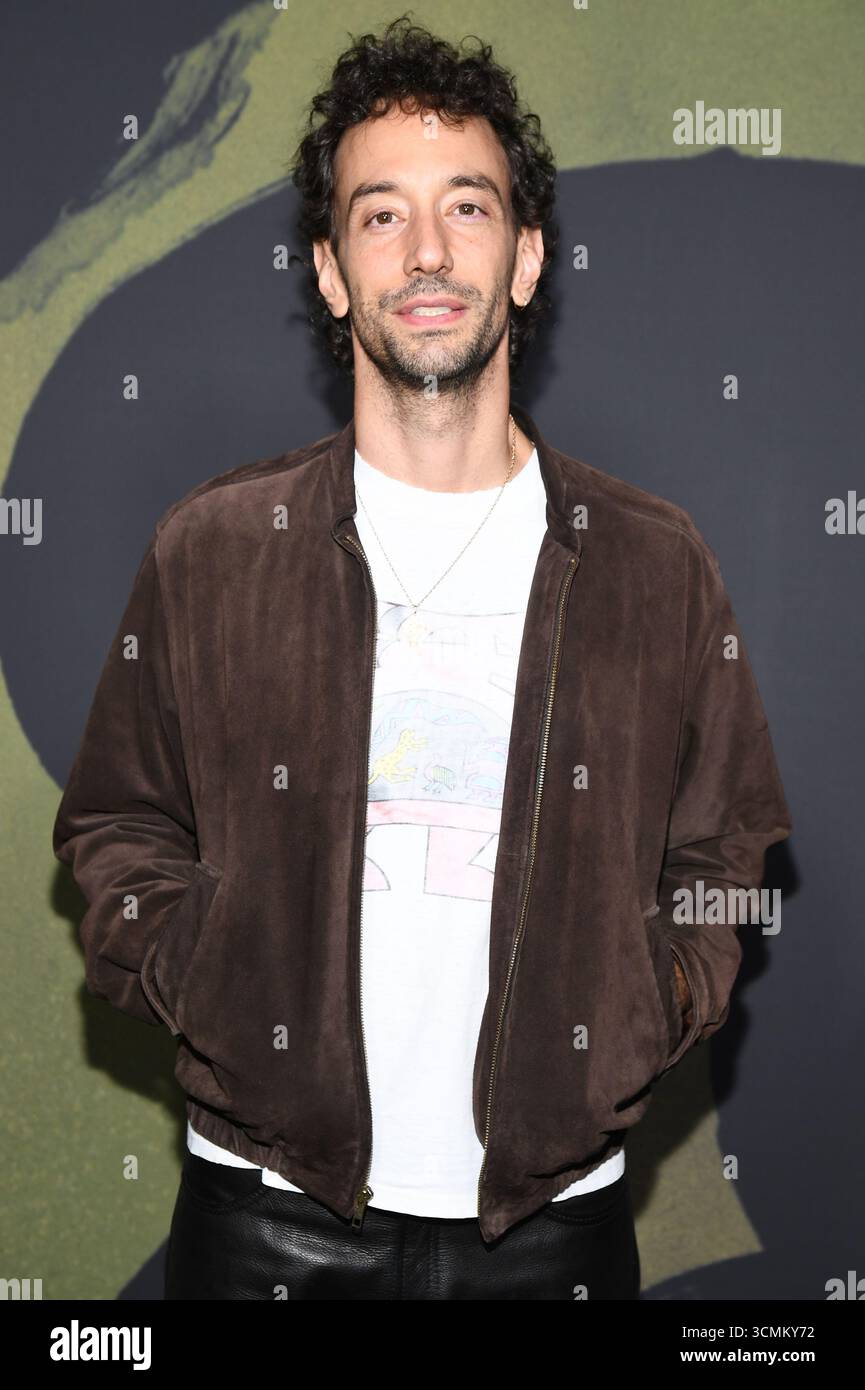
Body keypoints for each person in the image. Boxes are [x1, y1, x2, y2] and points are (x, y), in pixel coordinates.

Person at [52, 16, 792, 1300]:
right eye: (380, 215)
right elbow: (117, 823)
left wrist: (642, 1006)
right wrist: (207, 975)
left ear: (527, 258)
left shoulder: (651, 562)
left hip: (552, 1229)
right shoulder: (214, 548)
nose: (429, 251)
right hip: (265, 1217)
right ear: (332, 271)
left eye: (468, 206)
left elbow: (727, 856)